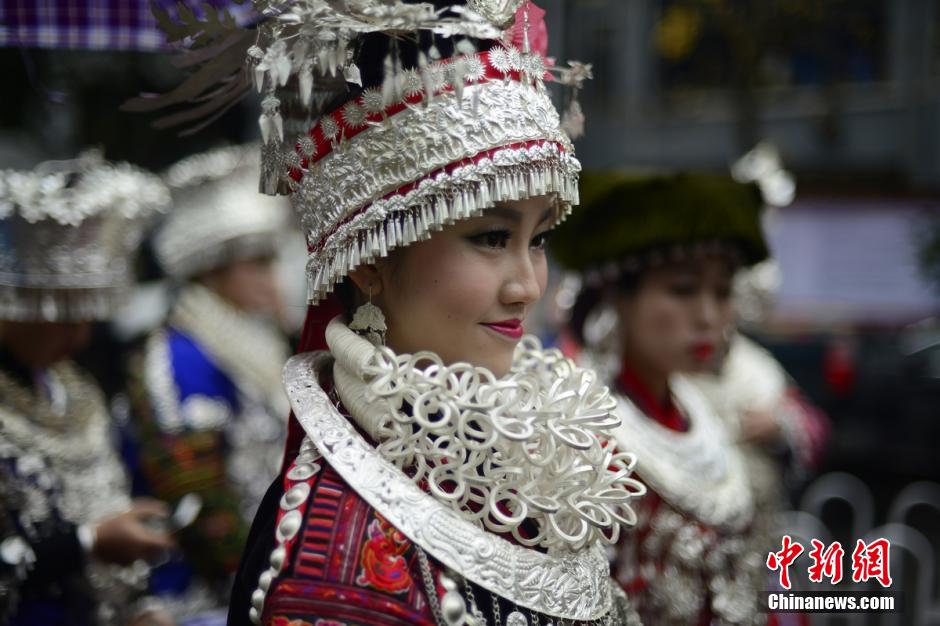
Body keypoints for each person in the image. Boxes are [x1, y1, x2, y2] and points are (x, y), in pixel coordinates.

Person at [170, 1, 652, 624]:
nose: (529, 286)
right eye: (489, 237)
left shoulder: (540, 453)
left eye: (538, 239)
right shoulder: (335, 556)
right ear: (370, 261)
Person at [552, 171, 788, 625]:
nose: (708, 316)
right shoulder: (576, 433)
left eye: (721, 292)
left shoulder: (706, 411)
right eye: (682, 289)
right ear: (615, 293)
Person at [0, 151, 176, 626]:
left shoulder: (76, 388)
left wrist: (143, 605)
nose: (79, 337)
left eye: (88, 316)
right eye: (64, 315)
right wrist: (86, 543)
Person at [127, 145, 292, 623]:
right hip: (201, 594)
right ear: (214, 269)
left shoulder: (252, 342)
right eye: (257, 263)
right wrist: (266, 578)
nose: (272, 278)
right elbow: (197, 504)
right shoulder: (179, 356)